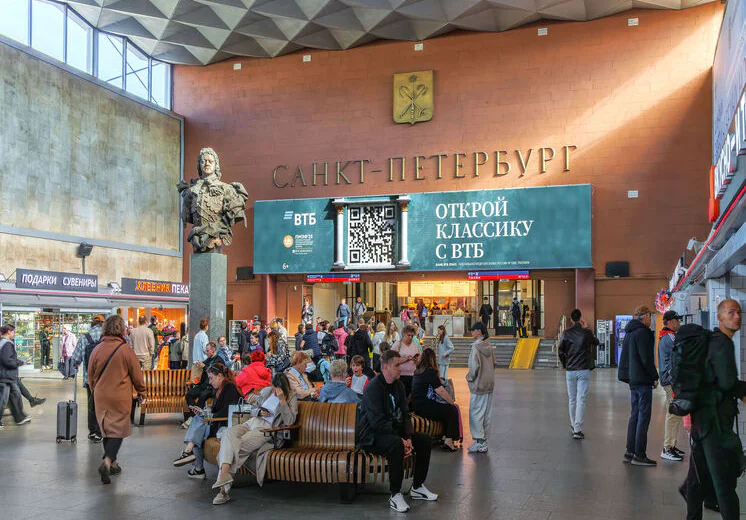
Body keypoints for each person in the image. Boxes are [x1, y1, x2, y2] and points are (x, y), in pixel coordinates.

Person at [680, 299, 746, 520]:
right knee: (724, 484)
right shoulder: (723, 343)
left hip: (702, 420)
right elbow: (727, 383)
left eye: (739, 312)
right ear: (719, 317)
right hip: (715, 424)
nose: (737, 317)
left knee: (696, 479)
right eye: (731, 312)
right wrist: (742, 389)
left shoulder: (712, 342)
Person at [358, 350, 438, 512]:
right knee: (396, 444)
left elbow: (405, 414)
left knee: (423, 440)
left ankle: (417, 487)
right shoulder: (374, 387)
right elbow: (377, 422)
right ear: (385, 367)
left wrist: (408, 437)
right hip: (372, 435)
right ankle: (395, 494)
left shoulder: (399, 386)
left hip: (393, 432)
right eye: (397, 365)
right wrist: (401, 440)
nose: (400, 368)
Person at [211, 373, 299, 505]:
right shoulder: (267, 391)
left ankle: (223, 491)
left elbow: (290, 421)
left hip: (266, 430)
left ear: (284, 388)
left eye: (277, 388)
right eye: (273, 387)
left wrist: (282, 401)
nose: (274, 391)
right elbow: (251, 408)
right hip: (251, 423)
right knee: (228, 433)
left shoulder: (291, 397)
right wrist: (259, 412)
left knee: (238, 445)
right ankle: (225, 474)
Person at [88, 315, 147, 484]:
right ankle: (107, 462)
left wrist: (95, 391)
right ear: (121, 329)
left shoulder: (97, 349)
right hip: (120, 396)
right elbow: (136, 375)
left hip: (101, 396)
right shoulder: (125, 350)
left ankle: (113, 464)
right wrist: (142, 391)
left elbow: (90, 375)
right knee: (118, 430)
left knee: (107, 428)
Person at [173, 362, 241, 479]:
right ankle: (192, 456)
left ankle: (193, 459)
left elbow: (228, 410)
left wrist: (210, 416)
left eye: (211, 378)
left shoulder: (229, 388)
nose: (209, 382)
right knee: (198, 422)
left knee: (198, 424)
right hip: (219, 422)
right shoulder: (223, 388)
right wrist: (205, 412)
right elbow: (221, 409)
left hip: (224, 425)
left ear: (219, 376)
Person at [618, 304, 659, 466]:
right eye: (651, 316)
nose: (651, 320)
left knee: (635, 415)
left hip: (633, 380)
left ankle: (630, 451)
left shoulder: (630, 332)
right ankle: (639, 455)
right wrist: (654, 376)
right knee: (643, 417)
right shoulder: (643, 333)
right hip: (642, 380)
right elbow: (646, 358)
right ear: (646, 316)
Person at [558, 309, 599, 440]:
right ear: (581, 318)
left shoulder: (566, 333)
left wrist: (565, 364)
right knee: (581, 399)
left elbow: (560, 351)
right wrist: (587, 328)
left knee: (572, 399)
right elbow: (596, 342)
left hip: (570, 370)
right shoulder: (586, 333)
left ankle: (573, 424)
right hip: (583, 370)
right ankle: (577, 429)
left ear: (571, 319)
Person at [412, 348, 460, 451]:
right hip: (425, 407)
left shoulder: (418, 371)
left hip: (416, 406)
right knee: (452, 410)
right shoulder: (430, 372)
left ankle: (446, 438)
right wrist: (451, 402)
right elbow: (441, 391)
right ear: (433, 359)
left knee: (445, 410)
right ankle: (449, 441)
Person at [71, 315, 104, 442]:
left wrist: (76, 364)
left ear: (92, 324)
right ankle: (103, 430)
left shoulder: (84, 337)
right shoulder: (107, 338)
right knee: (104, 404)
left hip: (90, 379)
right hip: (106, 379)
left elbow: (75, 358)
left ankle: (93, 432)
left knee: (92, 404)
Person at [658, 310, 685, 461]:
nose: (678, 323)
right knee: (673, 414)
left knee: (675, 414)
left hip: (669, 379)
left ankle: (672, 445)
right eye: (676, 320)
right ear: (669, 322)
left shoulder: (666, 336)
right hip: (671, 381)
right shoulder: (669, 338)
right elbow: (683, 352)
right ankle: (667, 448)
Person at [466, 322, 495, 453]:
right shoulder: (489, 346)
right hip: (489, 384)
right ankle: (484, 442)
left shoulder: (476, 347)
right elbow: (494, 363)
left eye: (473, 330)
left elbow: (474, 367)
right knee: (486, 414)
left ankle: (479, 442)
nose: (472, 332)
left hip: (479, 384)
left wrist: (469, 377)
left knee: (475, 413)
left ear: (479, 331)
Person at [0, 324, 31, 428]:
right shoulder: (7, 344)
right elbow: (7, 360)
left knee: (16, 395)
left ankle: (19, 418)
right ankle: (19, 417)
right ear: (9, 332)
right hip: (5, 376)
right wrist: (19, 363)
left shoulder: (3, 343)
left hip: (9, 377)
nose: (14, 334)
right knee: (3, 400)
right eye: (13, 332)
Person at [186, 342, 221, 410]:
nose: (206, 353)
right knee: (189, 394)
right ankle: (194, 413)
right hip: (204, 385)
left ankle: (197, 413)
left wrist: (204, 366)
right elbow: (201, 367)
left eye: (207, 350)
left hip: (212, 387)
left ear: (213, 350)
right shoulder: (208, 359)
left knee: (202, 395)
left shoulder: (219, 360)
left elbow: (214, 373)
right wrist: (198, 365)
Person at [391, 325, 420, 396]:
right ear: (404, 334)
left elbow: (419, 360)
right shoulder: (397, 345)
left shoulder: (415, 345)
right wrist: (406, 359)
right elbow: (392, 360)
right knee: (401, 396)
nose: (410, 337)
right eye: (408, 335)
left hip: (413, 375)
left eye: (412, 336)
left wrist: (416, 360)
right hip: (400, 375)